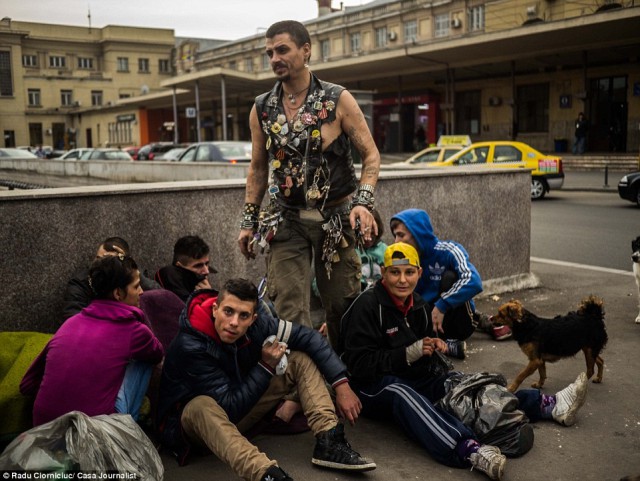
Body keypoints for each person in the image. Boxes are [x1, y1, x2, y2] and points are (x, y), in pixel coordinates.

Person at [339, 242, 590, 480]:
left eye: (408, 272)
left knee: (464, 384)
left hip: (412, 374)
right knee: (401, 392)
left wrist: (433, 348)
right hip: (369, 388)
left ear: (419, 273)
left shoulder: (420, 305)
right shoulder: (368, 305)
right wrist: (409, 353)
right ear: (383, 272)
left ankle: (547, 405)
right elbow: (358, 364)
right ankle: (468, 449)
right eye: (394, 272)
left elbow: (421, 349)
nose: (402, 280)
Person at [237, 20, 381, 350]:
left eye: (282, 50)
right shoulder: (262, 107)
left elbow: (370, 155)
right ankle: (304, 383)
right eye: (269, 52)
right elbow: (258, 169)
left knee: (342, 304)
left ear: (306, 50)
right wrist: (248, 221)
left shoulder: (337, 99)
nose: (274, 58)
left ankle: (347, 374)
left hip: (336, 219)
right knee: (288, 306)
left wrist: (363, 201)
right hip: (284, 219)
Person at [156, 278, 376, 481]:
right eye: (228, 312)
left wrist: (341, 385)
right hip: (195, 429)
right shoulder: (190, 346)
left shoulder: (259, 324)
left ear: (253, 318)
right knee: (200, 405)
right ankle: (266, 474)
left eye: (243, 316)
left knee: (297, 359)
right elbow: (229, 409)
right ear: (215, 309)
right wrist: (265, 366)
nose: (234, 322)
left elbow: (308, 337)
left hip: (238, 407)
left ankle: (330, 442)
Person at [21, 253, 164, 426]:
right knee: (145, 358)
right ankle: (129, 431)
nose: (141, 292)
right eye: (136, 286)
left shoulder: (70, 324)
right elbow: (157, 353)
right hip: (94, 434)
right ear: (118, 293)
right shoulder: (134, 330)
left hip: (43, 429)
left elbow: (27, 385)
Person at [390, 209, 511, 357]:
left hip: (456, 321)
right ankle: (446, 344)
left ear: (418, 233)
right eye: (395, 235)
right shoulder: (402, 258)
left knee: (449, 277)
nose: (396, 241)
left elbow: (474, 281)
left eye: (401, 235)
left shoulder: (448, 251)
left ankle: (473, 323)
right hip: (425, 321)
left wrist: (442, 305)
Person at [62, 236, 160, 321]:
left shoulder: (130, 278)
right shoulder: (80, 283)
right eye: (98, 259)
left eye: (108, 262)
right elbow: (73, 320)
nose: (100, 265)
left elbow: (161, 298)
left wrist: (131, 270)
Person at [155, 235, 217, 302]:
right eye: (198, 266)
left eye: (207, 264)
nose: (207, 271)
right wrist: (207, 298)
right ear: (179, 266)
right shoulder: (171, 277)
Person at [356, 208, 387, 291]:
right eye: (363, 233)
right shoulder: (351, 251)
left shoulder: (385, 250)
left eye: (372, 233)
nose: (368, 238)